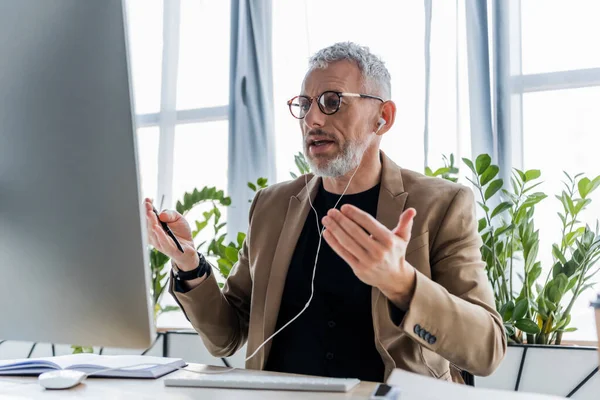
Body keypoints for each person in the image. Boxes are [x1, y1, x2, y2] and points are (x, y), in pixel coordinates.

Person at [144, 42, 506, 383]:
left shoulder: (440, 205)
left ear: (383, 117)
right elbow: (226, 337)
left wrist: (402, 284)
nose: (312, 119)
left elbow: (487, 349)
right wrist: (189, 266)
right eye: (305, 104)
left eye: (332, 101)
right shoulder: (271, 206)